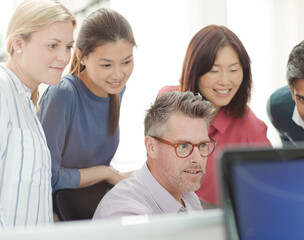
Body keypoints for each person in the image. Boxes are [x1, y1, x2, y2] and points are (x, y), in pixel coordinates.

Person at [158, 25, 271, 206]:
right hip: (162, 211)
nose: (225, 81)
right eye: (214, 70)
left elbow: (267, 195)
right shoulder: (167, 101)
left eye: (233, 70)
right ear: (195, 70)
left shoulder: (252, 130)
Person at [38, 8, 135, 192]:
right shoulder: (63, 94)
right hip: (58, 213)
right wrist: (106, 173)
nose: (118, 74)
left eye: (126, 62)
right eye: (106, 64)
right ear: (81, 57)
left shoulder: (115, 90)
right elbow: (48, 177)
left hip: (94, 207)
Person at [0, 0, 76, 229]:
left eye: (68, 47)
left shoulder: (28, 103)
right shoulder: (2, 90)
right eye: (53, 45)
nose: (64, 57)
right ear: (19, 43)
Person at [93, 91, 216, 218]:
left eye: (202, 145)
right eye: (183, 146)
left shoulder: (188, 197)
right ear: (152, 147)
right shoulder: (126, 213)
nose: (198, 158)